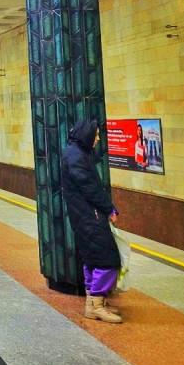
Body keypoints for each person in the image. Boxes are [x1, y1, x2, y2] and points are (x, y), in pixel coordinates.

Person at [61, 119, 123, 323]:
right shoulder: (77, 156)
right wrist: (109, 209)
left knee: (93, 259)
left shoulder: (76, 152)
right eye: (95, 135)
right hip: (89, 215)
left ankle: (94, 303)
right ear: (85, 134)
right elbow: (91, 188)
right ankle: (97, 304)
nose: (97, 139)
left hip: (84, 215)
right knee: (108, 260)